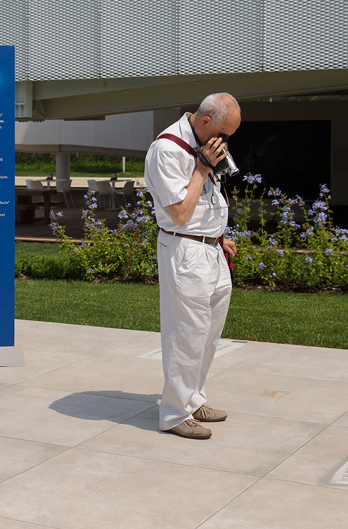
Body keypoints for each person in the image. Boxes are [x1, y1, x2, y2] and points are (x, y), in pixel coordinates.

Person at [143, 92, 240, 440]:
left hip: (210, 250)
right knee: (185, 334)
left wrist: (217, 235)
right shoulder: (167, 149)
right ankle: (173, 414)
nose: (226, 141)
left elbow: (203, 207)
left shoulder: (201, 144)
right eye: (224, 133)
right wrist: (202, 168)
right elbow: (180, 214)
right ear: (205, 123)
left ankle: (193, 399)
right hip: (185, 252)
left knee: (208, 333)